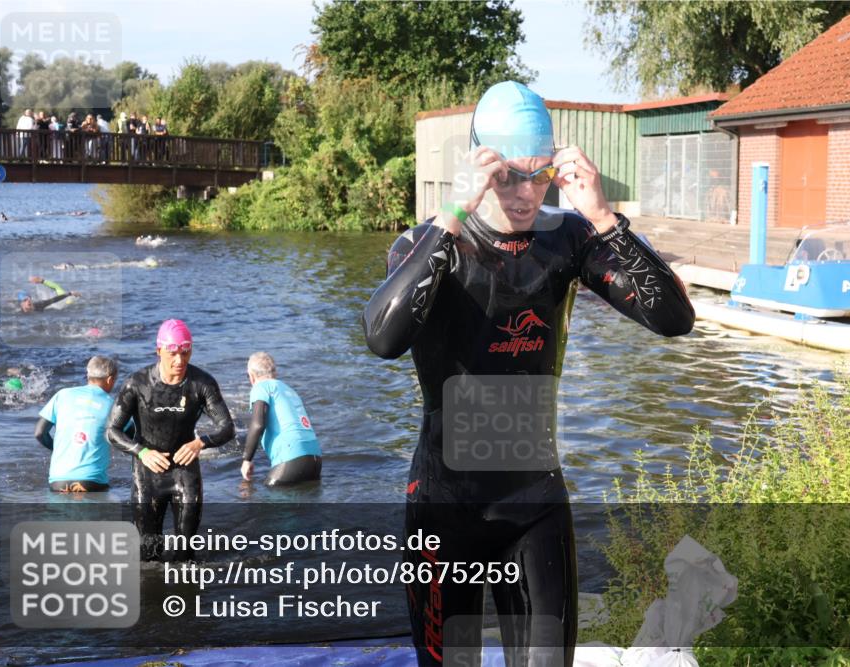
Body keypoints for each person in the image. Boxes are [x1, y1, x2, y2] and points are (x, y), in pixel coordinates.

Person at [362, 81, 695, 666]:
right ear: (478, 165)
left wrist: (604, 216)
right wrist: (451, 215)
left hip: (534, 501)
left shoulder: (566, 240)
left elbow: (674, 319)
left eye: (540, 175)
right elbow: (382, 338)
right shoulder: (427, 242)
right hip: (445, 505)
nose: (524, 193)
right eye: (508, 175)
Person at [106, 319, 234, 560]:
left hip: (185, 472)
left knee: (185, 553)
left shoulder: (201, 383)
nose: (179, 360)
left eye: (185, 353)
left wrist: (200, 442)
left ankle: (185, 596)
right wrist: (141, 452)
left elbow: (227, 427)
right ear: (159, 351)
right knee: (148, 554)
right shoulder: (137, 383)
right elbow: (112, 431)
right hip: (147, 473)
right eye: (172, 353)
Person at [35, 356, 119, 493]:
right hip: (92, 482)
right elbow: (129, 436)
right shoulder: (111, 405)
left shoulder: (62, 395)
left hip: (58, 482)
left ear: (88, 375)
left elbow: (39, 432)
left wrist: (57, 450)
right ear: (110, 379)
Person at [241, 352, 322, 487]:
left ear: (252, 376)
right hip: (315, 459)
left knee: (263, 503)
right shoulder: (289, 390)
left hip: (291, 458)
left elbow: (258, 424)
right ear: (275, 374)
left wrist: (246, 460)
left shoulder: (261, 387)